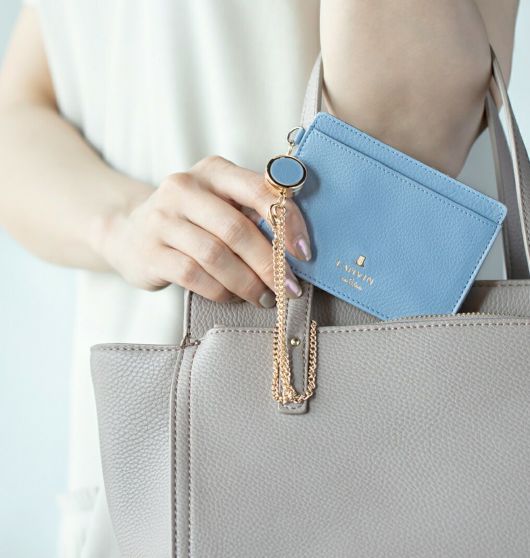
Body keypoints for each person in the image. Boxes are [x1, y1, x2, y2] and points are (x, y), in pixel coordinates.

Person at [0, 0, 519, 556]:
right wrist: (123, 223)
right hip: (145, 424)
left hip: (368, 409)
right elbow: (22, 112)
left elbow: (416, 128)